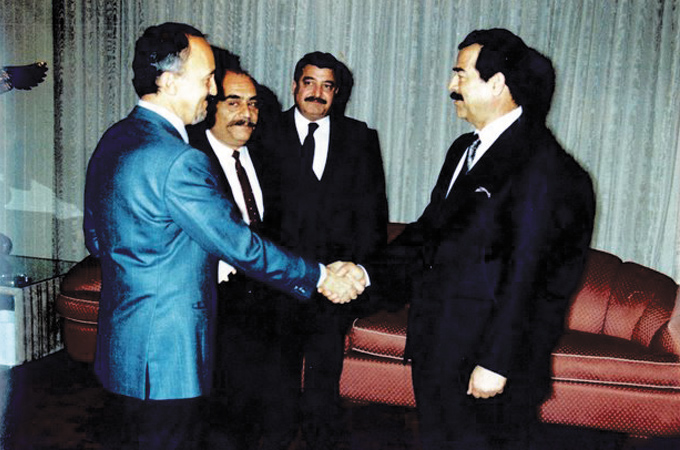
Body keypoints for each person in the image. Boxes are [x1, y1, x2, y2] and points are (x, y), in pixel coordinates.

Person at [84, 23, 363, 450]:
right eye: (207, 78)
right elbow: (239, 245)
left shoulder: (116, 138)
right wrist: (322, 277)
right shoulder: (179, 159)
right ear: (169, 81)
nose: (212, 91)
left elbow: (96, 238)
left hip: (124, 345)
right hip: (168, 355)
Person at [340, 28, 596, 449]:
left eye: (460, 74)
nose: (450, 85)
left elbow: (530, 275)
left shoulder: (543, 166)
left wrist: (497, 361)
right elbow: (428, 233)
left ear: (497, 84)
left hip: (487, 361)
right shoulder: (464, 149)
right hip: (439, 346)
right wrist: (366, 272)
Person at [255, 51, 388, 450]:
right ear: (294, 85)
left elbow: (372, 214)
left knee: (323, 377)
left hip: (335, 284)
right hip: (278, 280)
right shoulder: (264, 132)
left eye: (327, 85)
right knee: (276, 376)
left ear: (337, 92)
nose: (317, 93)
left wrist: (357, 274)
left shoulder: (360, 137)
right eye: (309, 82)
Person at [186, 47, 287, 448]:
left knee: (264, 407)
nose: (247, 114)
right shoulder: (190, 159)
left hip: (266, 298)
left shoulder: (268, 157)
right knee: (219, 414)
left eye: (253, 104)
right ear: (211, 106)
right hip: (214, 301)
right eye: (234, 103)